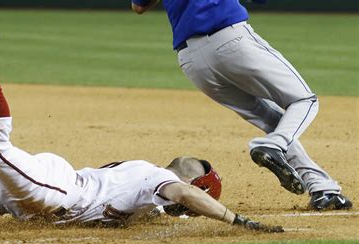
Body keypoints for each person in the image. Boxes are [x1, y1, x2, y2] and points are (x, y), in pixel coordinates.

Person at [0, 25, 283, 232]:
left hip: (45, 189)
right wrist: (236, 219)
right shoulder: (154, 180)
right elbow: (184, 196)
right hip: (55, 192)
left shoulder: (151, 198)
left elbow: (180, 200)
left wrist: (189, 204)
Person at [130, 0, 352, 210]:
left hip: (191, 61)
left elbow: (138, 6)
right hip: (230, 41)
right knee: (304, 100)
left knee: (269, 118)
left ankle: (323, 189)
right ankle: (273, 145)